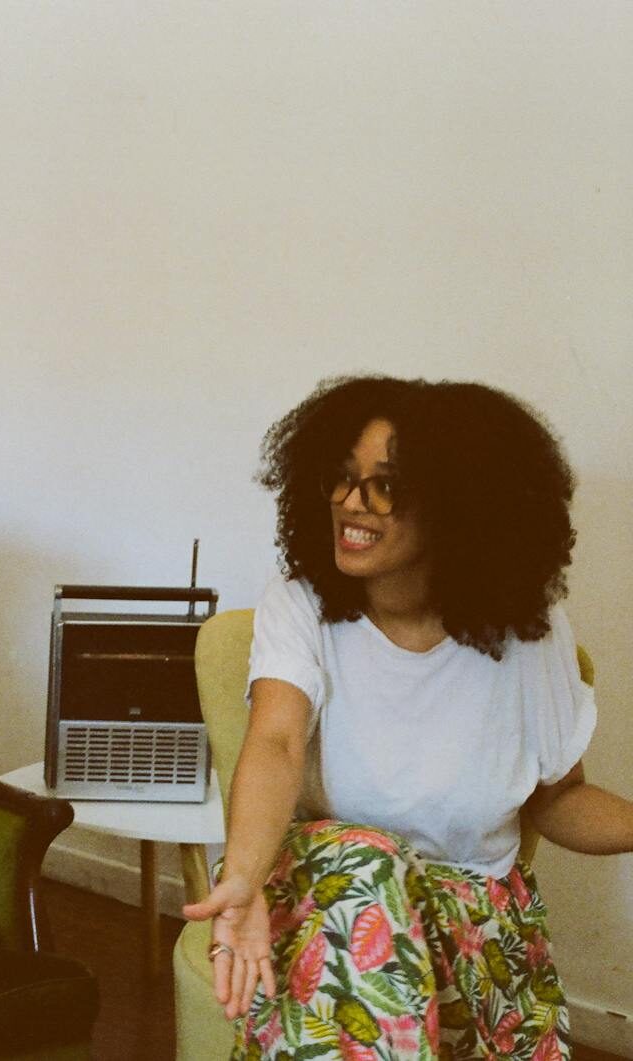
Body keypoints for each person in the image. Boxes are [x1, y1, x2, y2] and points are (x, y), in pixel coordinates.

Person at [183, 375, 633, 1059]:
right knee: (367, 864)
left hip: (472, 927)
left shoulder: (529, 630)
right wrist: (242, 877)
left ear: (460, 509)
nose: (349, 502)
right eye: (341, 477)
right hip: (332, 895)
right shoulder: (300, 601)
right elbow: (275, 739)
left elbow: (560, 795)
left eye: (384, 485)